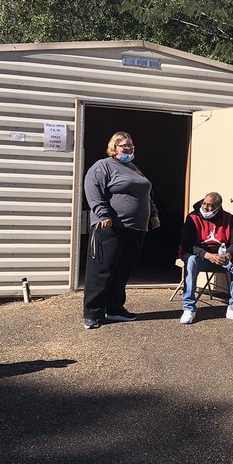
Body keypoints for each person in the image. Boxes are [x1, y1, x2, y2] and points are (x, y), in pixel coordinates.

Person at [82, 131, 160, 329]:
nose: (129, 148)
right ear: (114, 147)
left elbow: (146, 194)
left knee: (122, 270)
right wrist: (103, 214)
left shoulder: (134, 168)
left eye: (131, 145)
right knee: (102, 270)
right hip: (110, 227)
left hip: (135, 229)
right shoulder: (103, 166)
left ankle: (115, 309)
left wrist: (153, 214)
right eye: (124, 145)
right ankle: (93, 313)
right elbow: (93, 190)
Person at [178, 192, 233, 324]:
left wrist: (228, 255)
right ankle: (189, 308)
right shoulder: (192, 217)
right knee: (190, 260)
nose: (205, 207)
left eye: (210, 206)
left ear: (218, 207)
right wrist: (208, 255)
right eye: (204, 203)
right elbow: (187, 244)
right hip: (201, 258)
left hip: (222, 259)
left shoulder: (228, 218)